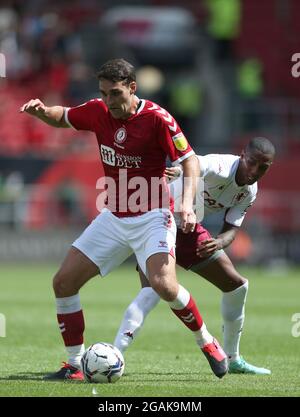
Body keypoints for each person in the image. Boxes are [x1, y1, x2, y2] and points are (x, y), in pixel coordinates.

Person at [20, 58, 227, 380]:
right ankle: (75, 364)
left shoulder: (158, 119)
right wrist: (42, 112)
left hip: (153, 217)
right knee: (63, 282)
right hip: (113, 217)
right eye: (103, 93)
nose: (109, 102)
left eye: (115, 94)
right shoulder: (98, 111)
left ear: (132, 88)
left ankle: (208, 341)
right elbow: (64, 116)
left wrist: (187, 205)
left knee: (163, 285)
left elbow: (190, 162)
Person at [114, 137, 275, 375]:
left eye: (263, 167)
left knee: (236, 286)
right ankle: (114, 355)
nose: (254, 170)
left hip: (187, 227)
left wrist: (218, 241)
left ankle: (234, 359)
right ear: (243, 155)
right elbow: (196, 163)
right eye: (251, 162)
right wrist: (179, 169)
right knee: (152, 290)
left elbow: (232, 228)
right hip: (158, 216)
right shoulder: (221, 166)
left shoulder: (249, 192)